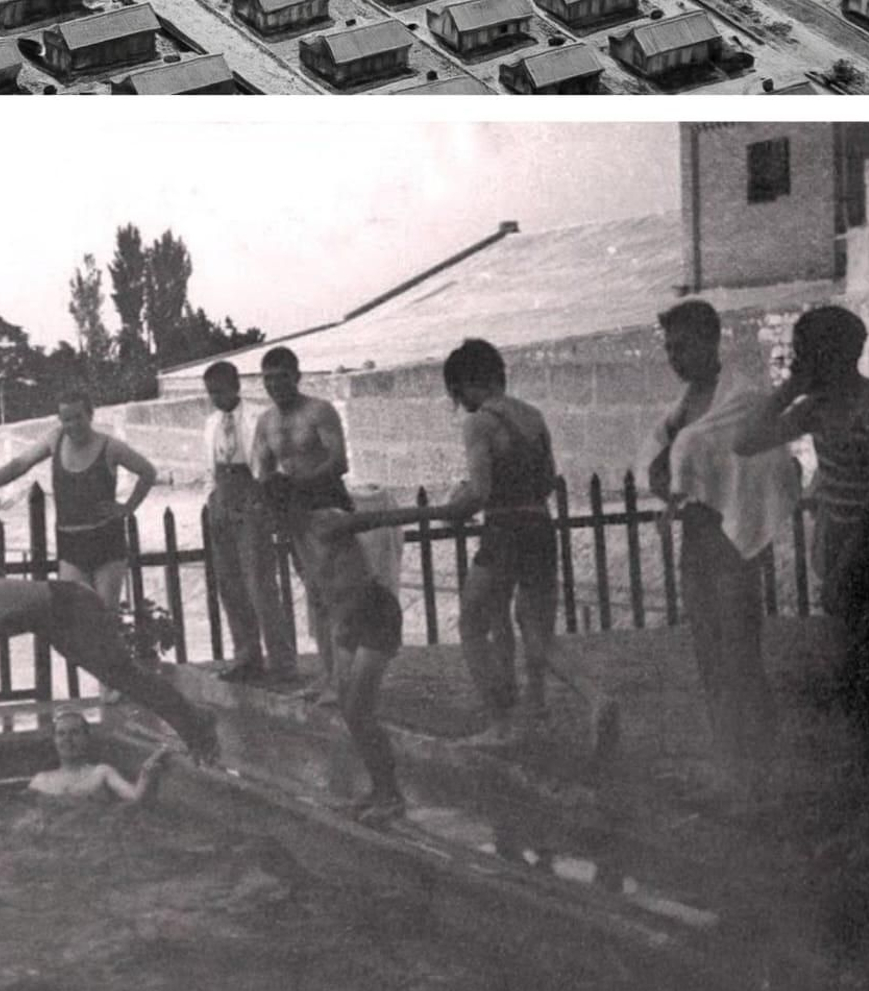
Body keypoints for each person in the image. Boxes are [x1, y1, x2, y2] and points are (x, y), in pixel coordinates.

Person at [329, 339, 614, 752]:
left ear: (464, 385)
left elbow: (479, 493)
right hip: (539, 526)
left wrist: (455, 506)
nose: (459, 405)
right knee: (539, 636)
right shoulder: (533, 417)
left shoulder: (480, 422)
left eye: (457, 395)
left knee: (471, 624)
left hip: (505, 530)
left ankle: (501, 724)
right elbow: (549, 479)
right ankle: (597, 698)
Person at [0, 574, 218, 790]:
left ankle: (196, 728)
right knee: (118, 676)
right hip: (52, 618)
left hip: (74, 606)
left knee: (124, 678)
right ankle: (194, 715)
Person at [649, 300, 800, 800]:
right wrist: (673, 487)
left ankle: (760, 768)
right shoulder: (681, 408)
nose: (675, 356)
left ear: (711, 342)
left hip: (731, 542)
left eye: (683, 345)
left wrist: (733, 504)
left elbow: (774, 470)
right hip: (695, 539)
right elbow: (663, 471)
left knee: (740, 654)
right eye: (669, 347)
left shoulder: (742, 399)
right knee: (710, 655)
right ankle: (728, 766)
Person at [735, 306, 869, 752]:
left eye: (804, 357)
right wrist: (790, 391)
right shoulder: (815, 409)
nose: (797, 365)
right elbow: (746, 440)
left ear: (829, 357)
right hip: (841, 539)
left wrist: (851, 556)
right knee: (851, 641)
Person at [0, 393, 156, 612]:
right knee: (76, 615)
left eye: (77, 417)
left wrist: (128, 508)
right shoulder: (55, 440)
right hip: (70, 542)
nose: (72, 425)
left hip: (106, 541)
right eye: (66, 419)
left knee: (105, 615)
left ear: (90, 415)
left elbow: (148, 472)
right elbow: (20, 464)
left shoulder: (110, 447)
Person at [251, 347, 352, 700]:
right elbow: (261, 470)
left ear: (296, 376)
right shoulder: (266, 422)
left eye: (281, 376)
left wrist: (297, 484)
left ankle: (344, 679)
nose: (274, 385)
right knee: (316, 596)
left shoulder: (318, 411)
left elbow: (338, 462)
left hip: (326, 503)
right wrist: (272, 498)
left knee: (338, 593)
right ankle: (329, 675)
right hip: (294, 512)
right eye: (267, 379)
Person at [306, 509, 406, 821]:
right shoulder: (314, 547)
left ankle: (391, 795)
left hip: (374, 616)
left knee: (360, 709)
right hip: (348, 622)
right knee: (351, 710)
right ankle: (380, 788)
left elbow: (348, 595)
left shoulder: (335, 534)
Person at [201, 360, 298, 685]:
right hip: (222, 498)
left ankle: (282, 660)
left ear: (236, 386)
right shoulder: (211, 423)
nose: (216, 398)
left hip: (251, 495)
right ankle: (247, 655)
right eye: (211, 392)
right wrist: (213, 500)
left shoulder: (257, 417)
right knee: (230, 584)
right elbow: (210, 466)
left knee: (259, 583)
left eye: (221, 391)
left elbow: (270, 463)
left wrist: (262, 500)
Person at [27, 709, 169, 804]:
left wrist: (146, 775)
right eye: (61, 734)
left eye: (75, 732)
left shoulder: (102, 773)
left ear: (86, 738)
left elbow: (136, 798)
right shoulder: (40, 780)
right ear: (54, 740)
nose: (67, 739)